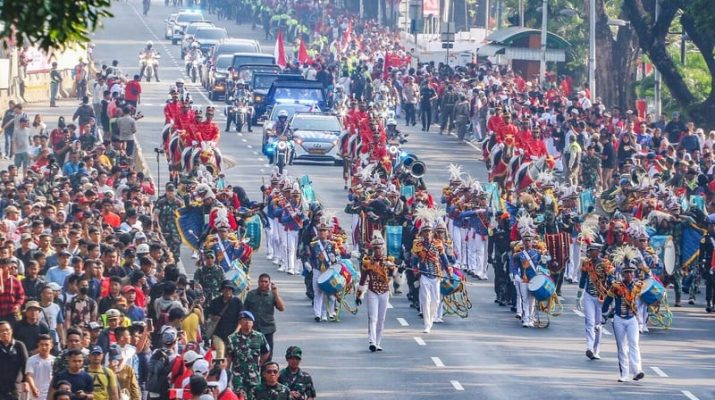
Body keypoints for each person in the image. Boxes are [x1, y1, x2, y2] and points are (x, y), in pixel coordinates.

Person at [602, 264, 645, 382]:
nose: (629, 275)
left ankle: (637, 371)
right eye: (627, 272)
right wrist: (604, 314)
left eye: (631, 272)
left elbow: (645, 301)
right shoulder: (616, 286)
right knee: (621, 346)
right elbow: (608, 300)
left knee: (634, 344)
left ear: (634, 274)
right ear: (623, 274)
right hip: (619, 318)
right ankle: (624, 373)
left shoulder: (638, 286)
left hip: (632, 319)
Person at [356, 231, 395, 352]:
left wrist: (395, 267)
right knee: (372, 318)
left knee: (381, 319)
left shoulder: (389, 261)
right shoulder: (368, 262)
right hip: (373, 292)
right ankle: (372, 341)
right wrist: (359, 294)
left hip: (384, 291)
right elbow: (362, 280)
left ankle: (378, 342)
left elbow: (394, 276)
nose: (379, 251)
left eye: (380, 248)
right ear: (373, 250)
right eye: (376, 249)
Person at [410, 222, 450, 334]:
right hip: (424, 275)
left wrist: (449, 273)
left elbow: (444, 260)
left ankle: (431, 318)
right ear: (421, 234)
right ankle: (427, 325)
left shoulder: (438, 244)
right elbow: (413, 260)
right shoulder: (417, 245)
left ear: (432, 233)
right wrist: (415, 269)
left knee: (436, 300)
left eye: (429, 232)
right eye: (425, 232)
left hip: (436, 275)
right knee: (425, 300)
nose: (427, 234)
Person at [576, 243, 610, 360]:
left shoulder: (605, 263)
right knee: (589, 323)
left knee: (597, 324)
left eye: (593, 250)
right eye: (590, 250)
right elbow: (583, 279)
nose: (591, 252)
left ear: (598, 251)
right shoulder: (587, 263)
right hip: (589, 295)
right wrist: (578, 296)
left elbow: (610, 279)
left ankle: (596, 350)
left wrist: (609, 297)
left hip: (601, 297)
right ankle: (589, 347)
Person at [226, 311, 270, 399]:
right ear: (240, 322)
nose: (247, 322)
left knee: (254, 397)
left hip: (254, 376)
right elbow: (229, 357)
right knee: (239, 397)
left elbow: (266, 351)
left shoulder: (259, 336)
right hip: (238, 376)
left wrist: (260, 363)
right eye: (244, 320)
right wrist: (227, 374)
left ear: (253, 323)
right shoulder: (232, 338)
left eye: (249, 320)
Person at [243, 274, 285, 361]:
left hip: (268, 329)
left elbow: (281, 308)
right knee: (251, 355)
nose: (263, 284)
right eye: (261, 281)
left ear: (269, 283)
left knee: (268, 356)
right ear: (258, 282)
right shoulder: (251, 294)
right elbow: (244, 312)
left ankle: (265, 373)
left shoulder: (272, 295)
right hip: (253, 329)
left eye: (266, 282)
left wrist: (276, 294)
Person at [207, 280, 243, 358]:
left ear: (232, 291)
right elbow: (209, 315)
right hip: (218, 333)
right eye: (225, 289)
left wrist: (236, 331)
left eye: (229, 289)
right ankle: (218, 369)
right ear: (222, 290)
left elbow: (241, 319)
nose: (227, 291)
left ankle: (226, 370)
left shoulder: (237, 302)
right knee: (220, 352)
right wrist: (214, 317)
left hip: (232, 334)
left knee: (230, 356)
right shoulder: (215, 302)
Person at [0, 321, 29, 400]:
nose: (4, 332)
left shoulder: (19, 345)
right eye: (1, 331)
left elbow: (26, 365)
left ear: (11, 331)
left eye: (7, 330)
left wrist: (26, 381)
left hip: (15, 386)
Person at [25, 334, 55, 400]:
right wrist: (34, 388)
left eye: (46, 345)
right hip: (35, 395)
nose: (44, 347)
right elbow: (29, 376)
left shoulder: (55, 360)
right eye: (42, 344)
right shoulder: (31, 360)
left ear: (51, 346)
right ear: (38, 345)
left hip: (50, 394)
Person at [0, 257, 26, 322]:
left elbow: (21, 296)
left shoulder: (16, 281)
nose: (1, 270)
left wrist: (17, 305)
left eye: (3, 267)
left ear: (9, 267)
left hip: (11, 313)